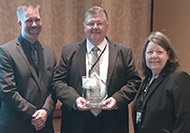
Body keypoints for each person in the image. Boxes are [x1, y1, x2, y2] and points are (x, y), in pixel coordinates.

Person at [53, 6, 141, 133]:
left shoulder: (123, 52)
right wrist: (75, 99)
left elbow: (134, 82)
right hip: (77, 121)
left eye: (100, 23)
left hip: (112, 121)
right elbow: (58, 82)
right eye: (90, 23)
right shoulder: (69, 51)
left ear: (106, 26)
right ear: (84, 27)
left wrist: (117, 99)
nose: (95, 27)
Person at [0, 2, 57, 133]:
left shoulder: (49, 53)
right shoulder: (5, 52)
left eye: (37, 19)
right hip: (16, 125)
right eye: (28, 20)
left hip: (45, 125)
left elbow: (54, 87)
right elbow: (7, 91)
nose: (34, 24)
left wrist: (45, 111)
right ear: (19, 23)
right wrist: (35, 114)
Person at [132, 32, 190, 133]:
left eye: (159, 52)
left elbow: (184, 121)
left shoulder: (178, 79)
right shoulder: (145, 81)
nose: (154, 56)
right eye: (150, 52)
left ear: (168, 55)